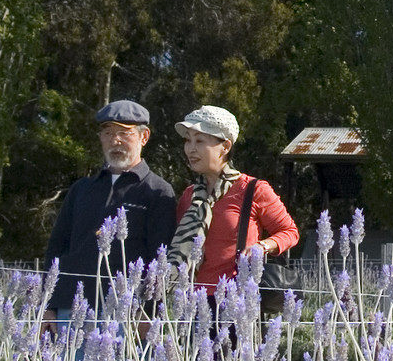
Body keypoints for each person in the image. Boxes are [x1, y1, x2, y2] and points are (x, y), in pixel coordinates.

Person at [44, 99, 179, 319]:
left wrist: (149, 313)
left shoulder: (158, 191)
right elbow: (56, 250)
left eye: (124, 133)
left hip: (126, 312)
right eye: (107, 133)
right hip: (70, 308)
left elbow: (160, 260)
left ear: (144, 137)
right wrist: (48, 307)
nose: (114, 141)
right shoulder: (82, 189)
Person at [166, 104, 299, 294]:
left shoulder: (253, 189)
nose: (190, 149)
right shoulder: (189, 195)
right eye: (188, 141)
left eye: (200, 141)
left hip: (237, 301)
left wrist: (263, 246)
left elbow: (290, 231)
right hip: (191, 303)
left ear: (225, 146)